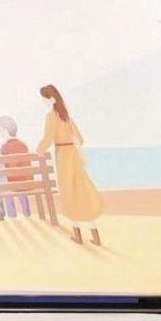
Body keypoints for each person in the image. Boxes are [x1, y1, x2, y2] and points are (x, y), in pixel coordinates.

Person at [41, 84, 104, 246]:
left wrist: (38, 151)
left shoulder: (51, 116)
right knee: (82, 191)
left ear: (51, 99)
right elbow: (80, 139)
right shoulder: (65, 115)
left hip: (63, 156)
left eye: (44, 98)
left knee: (69, 193)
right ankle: (95, 236)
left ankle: (78, 236)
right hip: (74, 155)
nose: (43, 101)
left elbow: (48, 138)